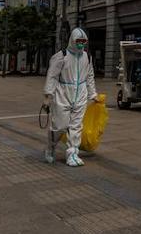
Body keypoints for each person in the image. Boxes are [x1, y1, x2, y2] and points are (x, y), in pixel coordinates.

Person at [42, 27, 102, 166]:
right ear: (72, 40)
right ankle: (50, 147)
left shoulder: (87, 57)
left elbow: (90, 76)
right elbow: (52, 76)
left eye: (83, 41)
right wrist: (48, 95)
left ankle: (72, 154)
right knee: (59, 126)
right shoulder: (61, 56)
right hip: (63, 94)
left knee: (76, 126)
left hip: (80, 94)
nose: (81, 43)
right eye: (78, 41)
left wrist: (93, 94)